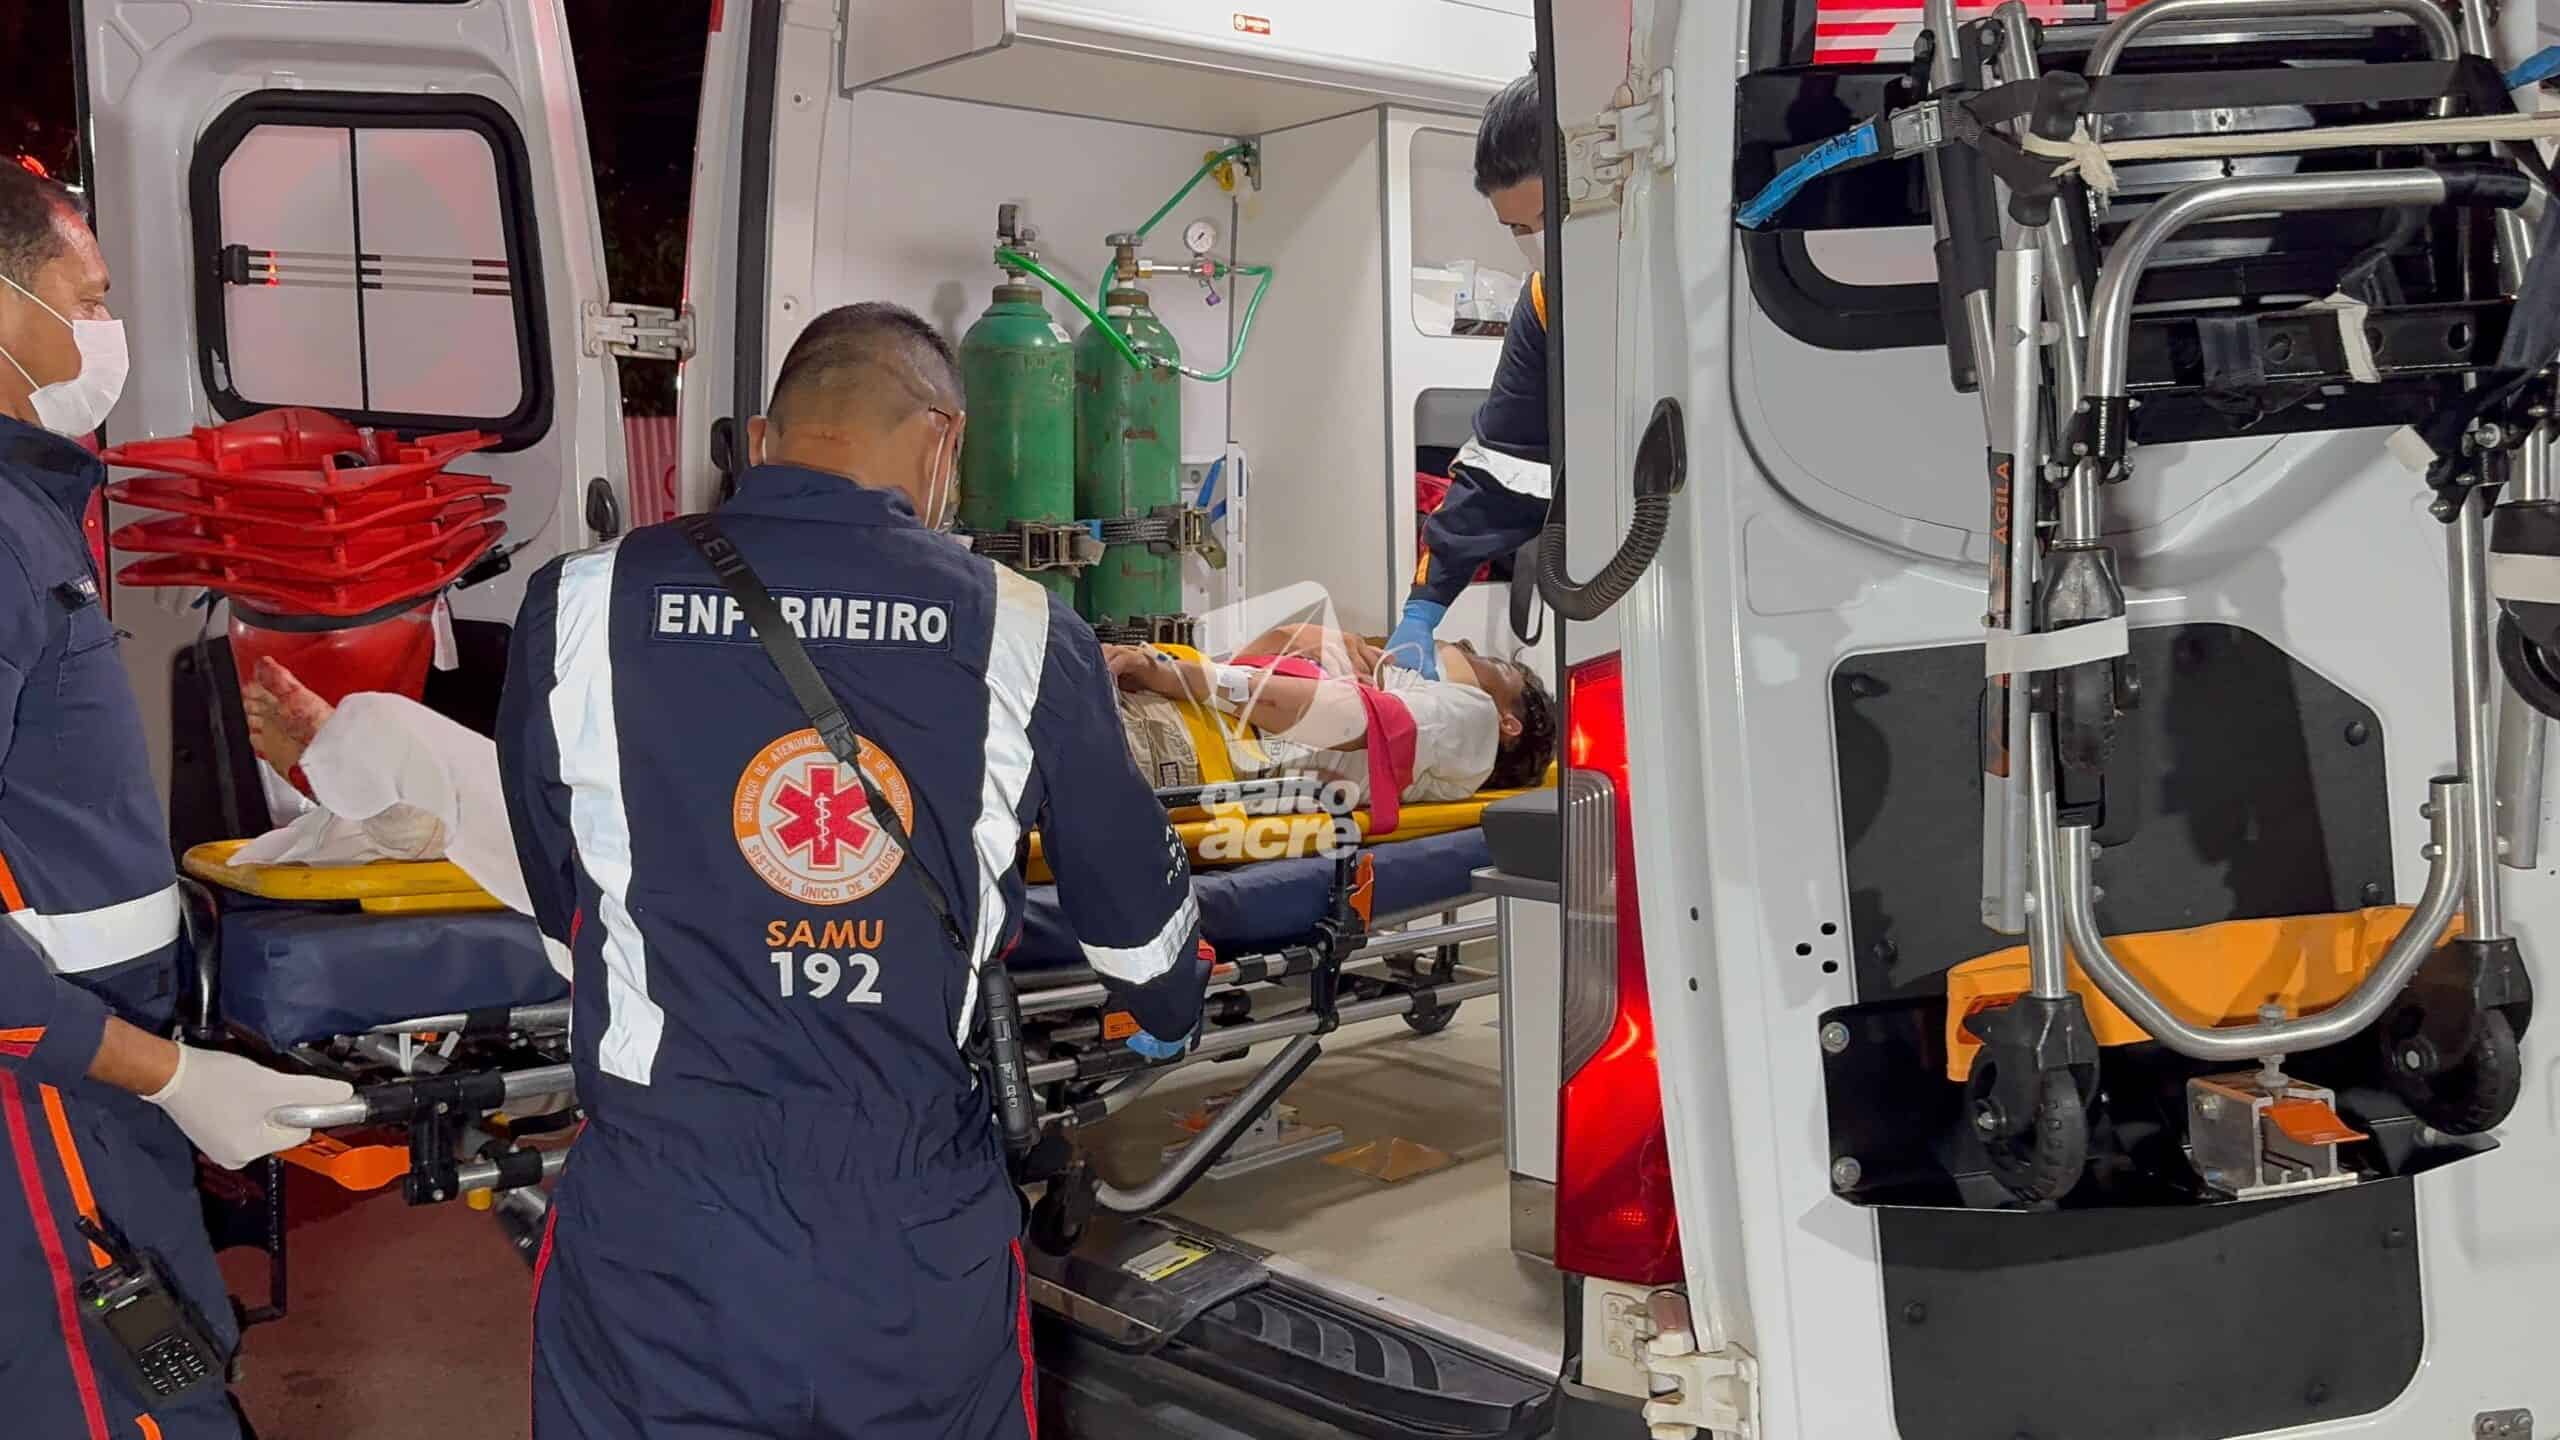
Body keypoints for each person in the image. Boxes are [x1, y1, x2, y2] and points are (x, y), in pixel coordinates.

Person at [497, 301, 1206, 1439]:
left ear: (763, 440)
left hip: (666, 1229)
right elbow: (1140, 939)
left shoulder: (580, 604)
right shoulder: (1023, 629)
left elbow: (563, 898)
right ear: (943, 442)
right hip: (910, 1229)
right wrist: (1168, 1013)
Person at [0, 163, 351, 1440]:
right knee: (133, 1402)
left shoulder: (30, 512)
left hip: (89, 1076)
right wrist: (167, 1074)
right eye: (89, 298)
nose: (108, 329)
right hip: (45, 1098)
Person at [1385, 72, 1555, 677]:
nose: (1536, 243)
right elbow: (1503, 464)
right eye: (1518, 230)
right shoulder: (1545, 304)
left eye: (1548, 218)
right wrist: (1424, 606)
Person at [1101, 624, 1556, 805]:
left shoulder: (1474, 719)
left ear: (1509, 723)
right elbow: (1245, 670)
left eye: (1494, 664)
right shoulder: (1405, 685)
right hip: (1173, 718)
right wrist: (1300, 636)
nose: (1467, 646)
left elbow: (1344, 719)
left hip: (1176, 741)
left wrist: (1171, 675)